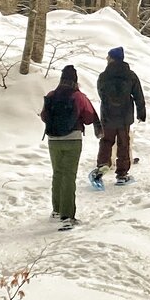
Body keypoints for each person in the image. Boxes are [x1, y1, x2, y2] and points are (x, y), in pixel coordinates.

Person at [40, 64, 98, 228]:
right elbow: (88, 118)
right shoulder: (78, 96)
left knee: (57, 173)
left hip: (53, 140)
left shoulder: (52, 95)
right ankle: (67, 216)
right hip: (73, 139)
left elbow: (44, 116)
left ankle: (56, 210)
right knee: (69, 175)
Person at [92, 46, 145, 186]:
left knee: (106, 141)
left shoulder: (103, 76)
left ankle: (102, 165)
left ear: (112, 58)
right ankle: (122, 174)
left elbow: (101, 93)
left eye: (108, 57)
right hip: (124, 116)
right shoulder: (130, 75)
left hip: (108, 115)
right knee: (123, 143)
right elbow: (138, 95)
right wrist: (141, 112)